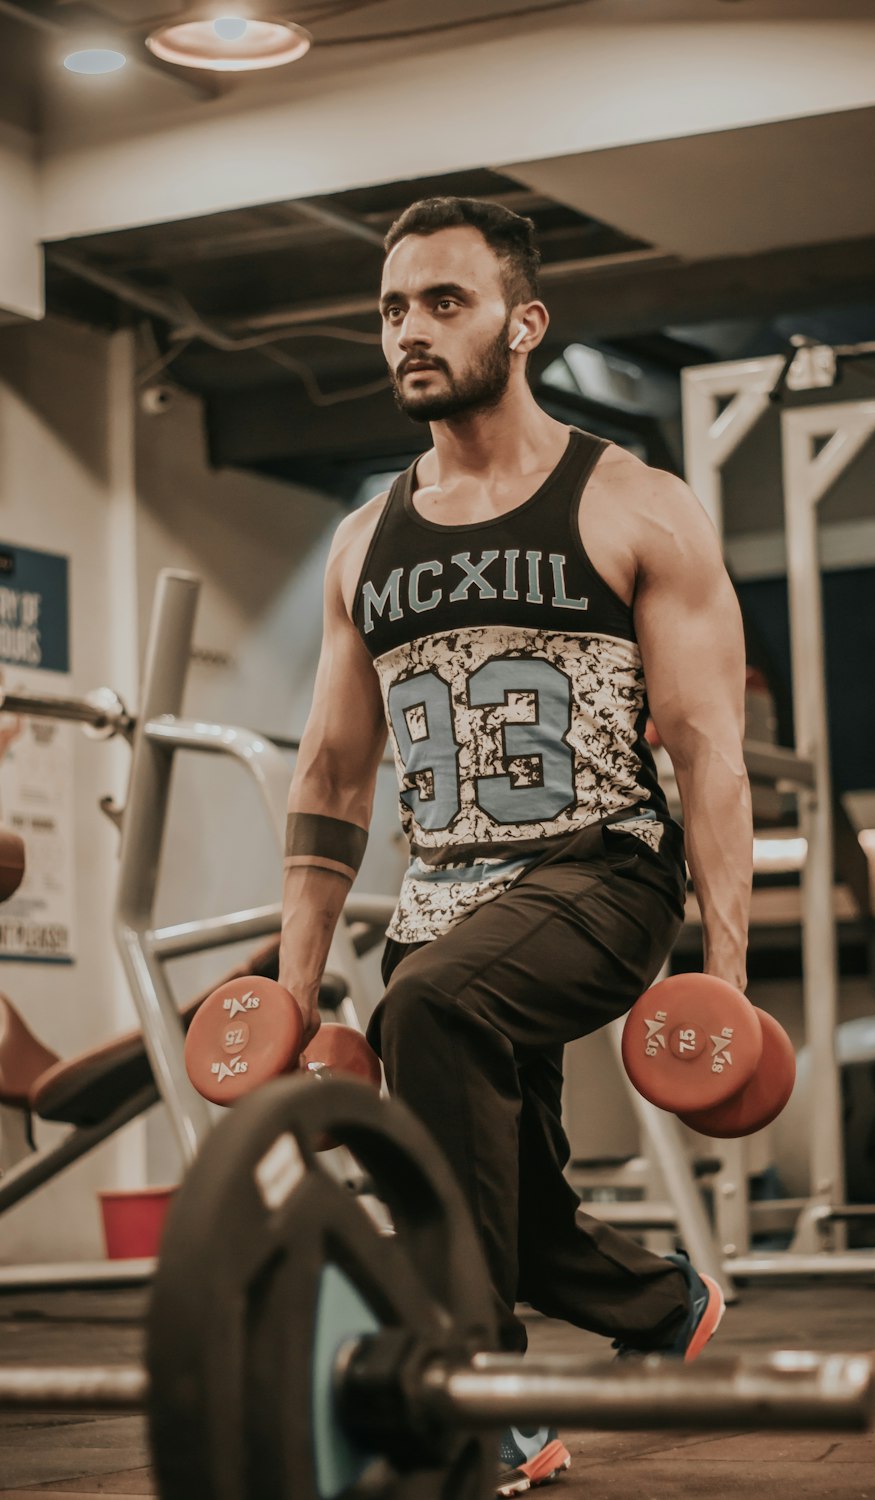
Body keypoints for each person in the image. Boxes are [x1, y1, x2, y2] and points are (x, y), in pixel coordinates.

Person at [279, 197, 753, 1495]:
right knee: (476, 1181)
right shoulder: (363, 542)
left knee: (429, 1015)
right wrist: (288, 981)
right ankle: (659, 1305)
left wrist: (726, 973)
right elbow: (332, 774)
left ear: (523, 322)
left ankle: (487, 1401)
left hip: (600, 874)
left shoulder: (636, 507)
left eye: (444, 301)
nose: (409, 332)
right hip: (444, 900)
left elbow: (708, 748)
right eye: (390, 308)